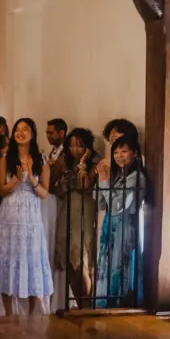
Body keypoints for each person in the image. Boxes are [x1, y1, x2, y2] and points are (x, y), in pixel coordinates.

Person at [0, 118, 54, 315]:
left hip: (31, 216)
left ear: (32, 134)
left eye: (25, 129)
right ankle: (8, 310)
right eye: (17, 129)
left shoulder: (41, 160)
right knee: (9, 257)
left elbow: (44, 193)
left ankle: (34, 311)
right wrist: (17, 178)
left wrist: (31, 178)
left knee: (32, 257)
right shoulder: (5, 158)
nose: (21, 132)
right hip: (9, 215)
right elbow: (1, 190)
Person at [95, 135, 145, 307]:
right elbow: (102, 204)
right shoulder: (118, 176)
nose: (119, 156)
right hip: (110, 225)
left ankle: (121, 305)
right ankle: (107, 303)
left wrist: (104, 185)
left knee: (121, 266)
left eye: (124, 151)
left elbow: (118, 206)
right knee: (108, 265)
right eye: (116, 152)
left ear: (135, 153)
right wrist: (102, 180)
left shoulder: (136, 177)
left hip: (125, 226)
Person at [59, 128, 99, 303]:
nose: (75, 150)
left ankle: (85, 302)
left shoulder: (95, 163)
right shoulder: (64, 162)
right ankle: (78, 300)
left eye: (80, 146)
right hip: (67, 209)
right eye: (72, 146)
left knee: (82, 257)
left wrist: (83, 163)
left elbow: (85, 186)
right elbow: (53, 187)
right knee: (69, 261)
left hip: (84, 210)